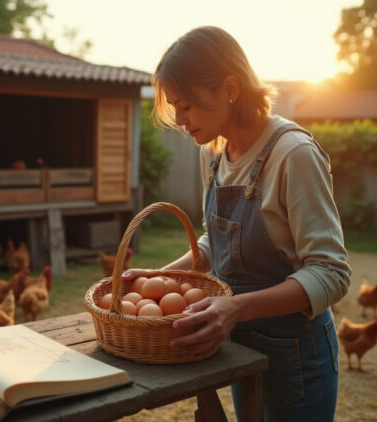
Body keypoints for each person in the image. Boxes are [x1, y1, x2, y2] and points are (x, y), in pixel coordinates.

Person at [123, 26, 351, 421]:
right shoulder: (213, 153)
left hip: (297, 355)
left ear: (230, 88)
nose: (179, 119)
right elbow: (217, 243)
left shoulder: (293, 154)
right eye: (174, 106)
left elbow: (331, 273)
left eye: (186, 105)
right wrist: (161, 277)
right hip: (239, 348)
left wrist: (235, 308)